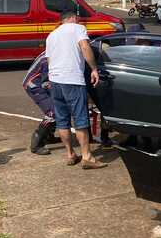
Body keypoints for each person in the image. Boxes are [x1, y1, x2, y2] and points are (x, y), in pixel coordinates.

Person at [46, 10, 105, 169]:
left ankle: (70, 154)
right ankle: (87, 157)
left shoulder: (51, 35)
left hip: (55, 80)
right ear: (73, 18)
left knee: (62, 120)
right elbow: (85, 47)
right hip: (72, 79)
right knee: (80, 118)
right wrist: (94, 68)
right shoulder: (77, 28)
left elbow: (49, 59)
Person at [23, 52, 58, 155]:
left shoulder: (52, 51)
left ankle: (49, 136)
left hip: (36, 82)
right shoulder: (48, 60)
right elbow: (46, 83)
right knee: (52, 112)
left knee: (57, 107)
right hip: (34, 85)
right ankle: (36, 144)